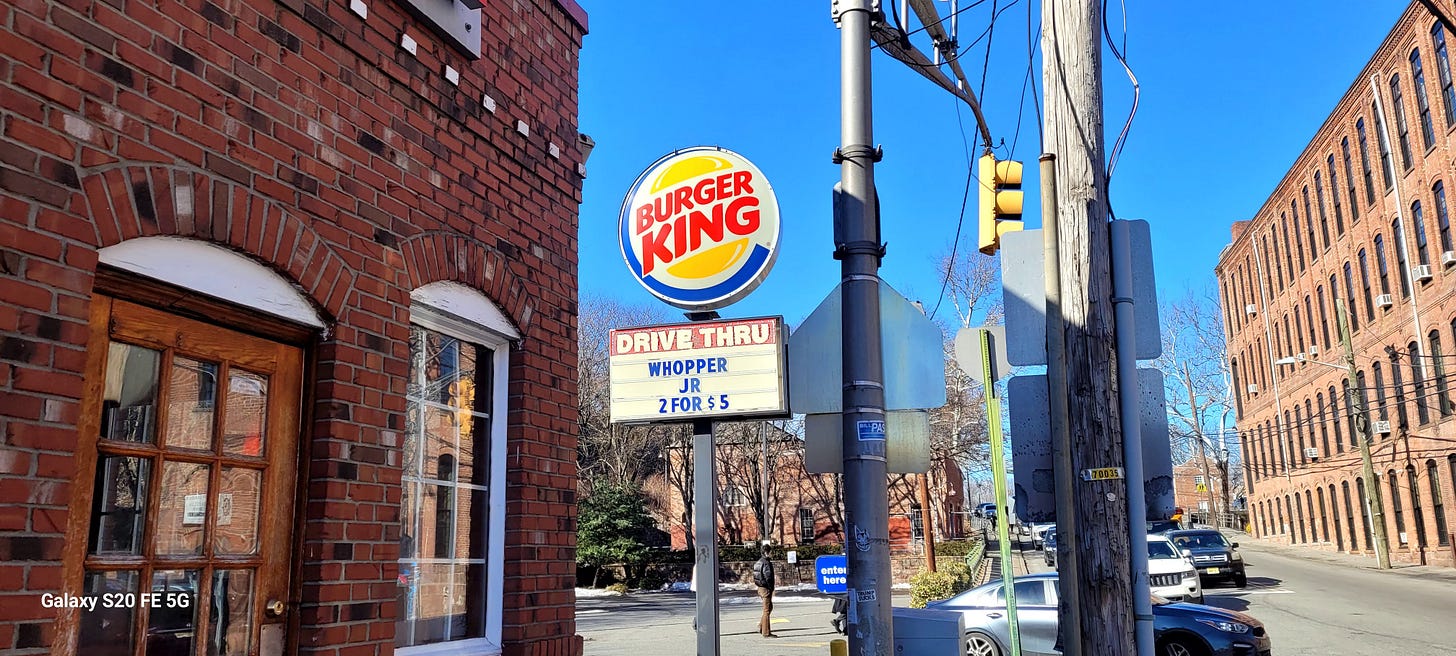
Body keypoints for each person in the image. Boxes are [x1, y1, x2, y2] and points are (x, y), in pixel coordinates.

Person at [751, 547, 777, 638]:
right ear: (766, 553)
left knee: (769, 607)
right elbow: (768, 577)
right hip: (766, 588)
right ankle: (766, 632)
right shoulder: (766, 563)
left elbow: (755, 575)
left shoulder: (758, 562)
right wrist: (771, 588)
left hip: (760, 587)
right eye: (771, 552)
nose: (772, 554)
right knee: (766, 610)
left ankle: (762, 626)